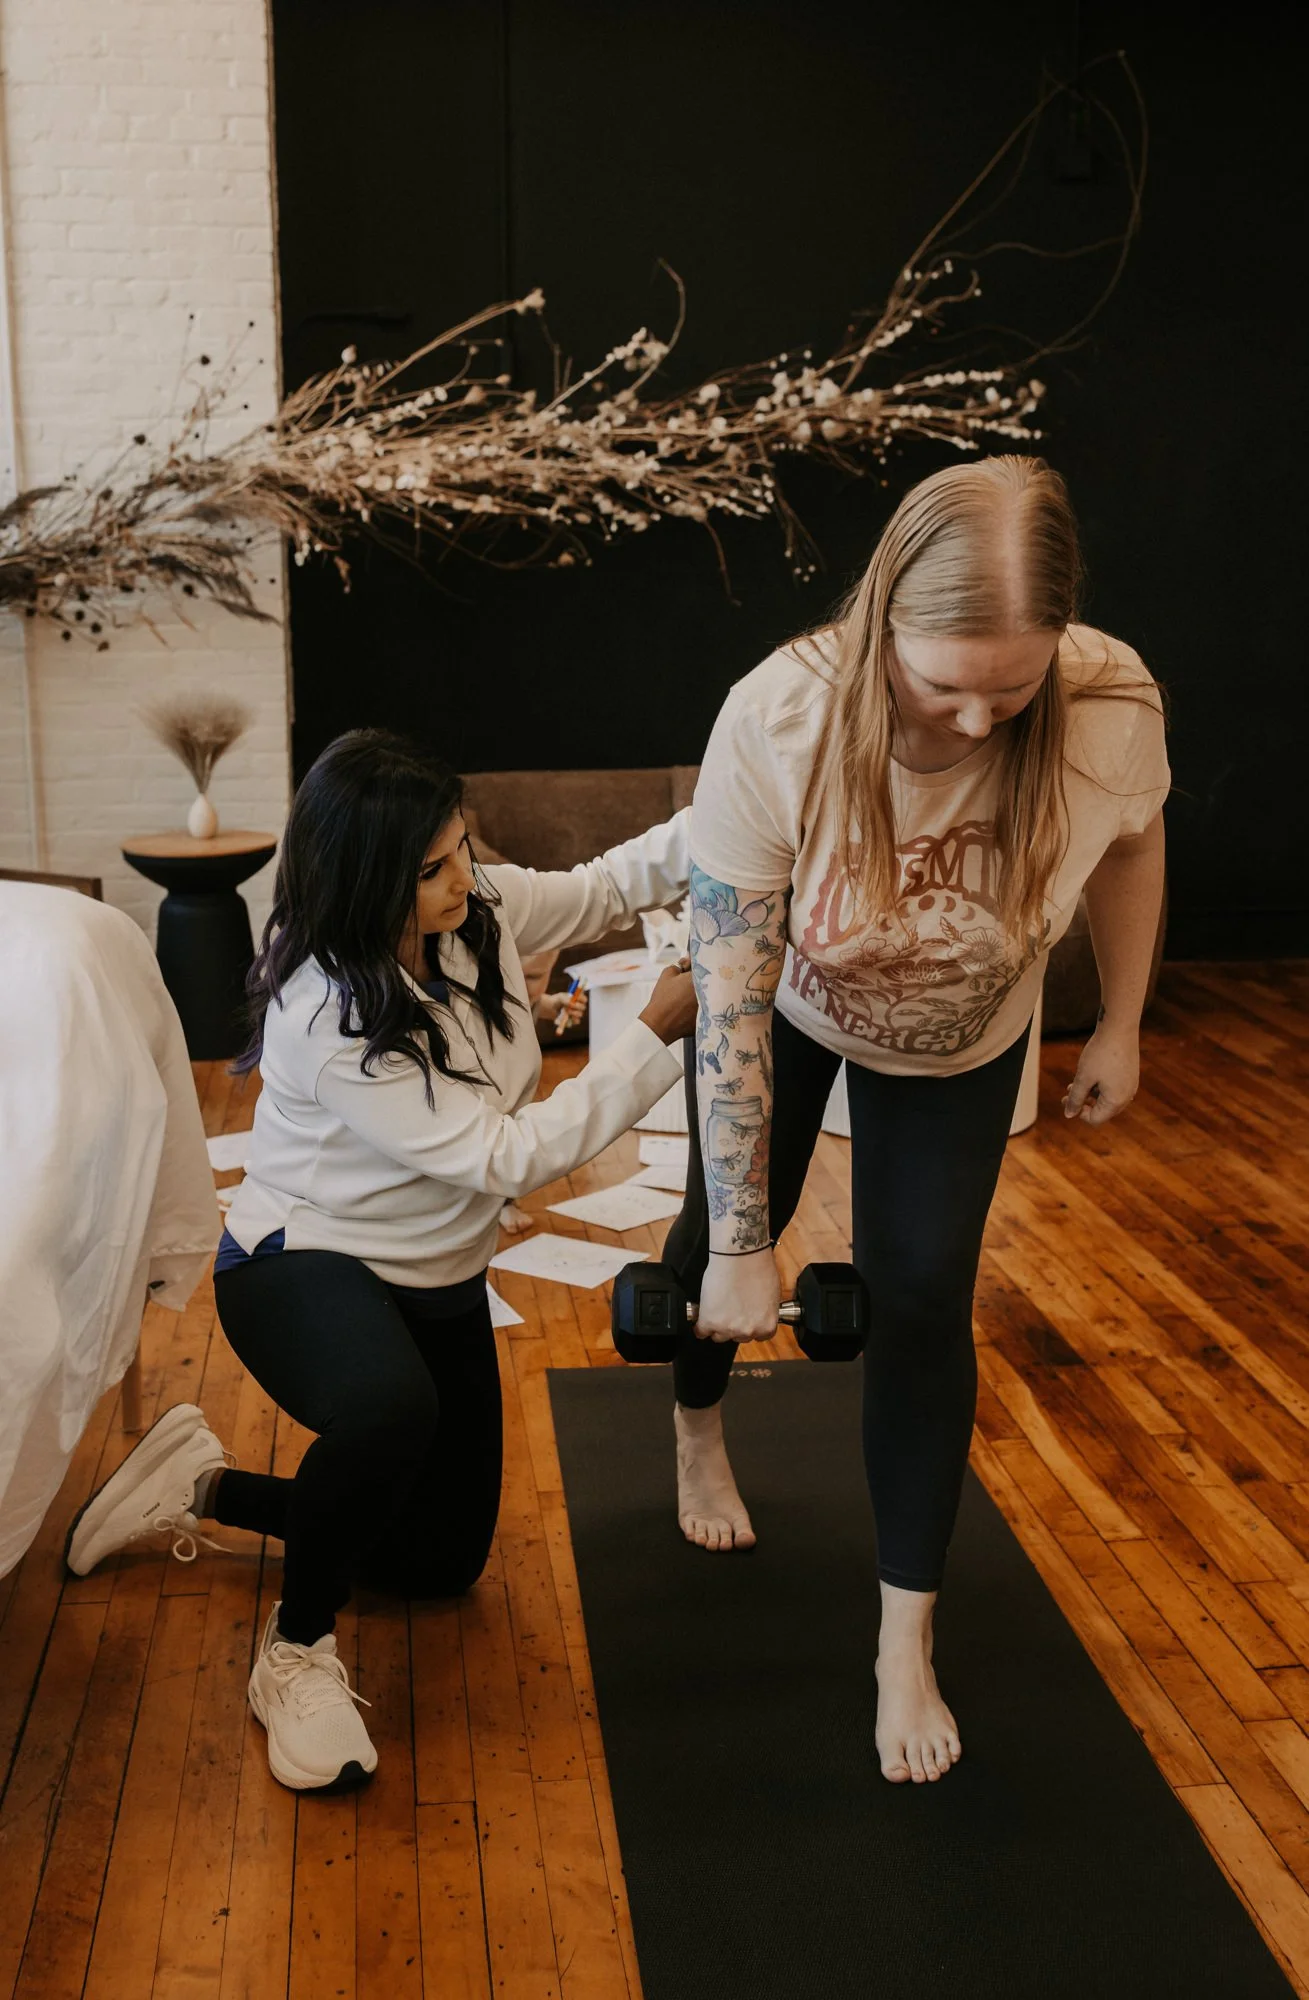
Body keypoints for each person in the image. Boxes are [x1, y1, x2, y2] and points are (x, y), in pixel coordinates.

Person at [664, 455, 1169, 1787]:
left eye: (1014, 687)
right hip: (785, 1002)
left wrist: (1118, 1017)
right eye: (945, 685)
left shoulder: (1109, 704)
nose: (982, 718)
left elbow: (1131, 843)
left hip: (962, 1041)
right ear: (884, 614)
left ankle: (905, 1644)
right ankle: (696, 1430)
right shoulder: (775, 719)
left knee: (926, 1299)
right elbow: (725, 991)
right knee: (712, 1246)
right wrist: (739, 1246)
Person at [66, 730, 695, 1791]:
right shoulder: (328, 1010)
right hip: (303, 1263)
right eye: (436, 866)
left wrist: (740, 810)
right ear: (367, 880)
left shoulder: (469, 906)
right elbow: (503, 1157)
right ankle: (295, 1650)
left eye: (464, 848)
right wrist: (650, 1039)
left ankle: (200, 1483)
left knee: (435, 1564)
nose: (467, 877)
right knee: (386, 1415)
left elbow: (599, 887)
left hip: (432, 1275)